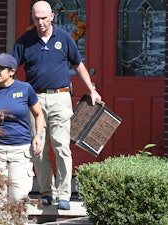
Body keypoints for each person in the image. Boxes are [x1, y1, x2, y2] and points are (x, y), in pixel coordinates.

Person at [11, 1, 102, 210]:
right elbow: (11, 67)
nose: (40, 22)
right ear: (32, 18)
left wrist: (92, 90)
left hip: (60, 99)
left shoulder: (64, 38)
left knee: (61, 146)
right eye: (36, 18)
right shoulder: (24, 41)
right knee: (39, 149)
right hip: (34, 102)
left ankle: (64, 194)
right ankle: (46, 192)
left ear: (52, 16)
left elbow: (78, 65)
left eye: (44, 18)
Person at [0, 53, 44, 223]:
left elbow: (39, 114)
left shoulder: (24, 89)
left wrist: (38, 136)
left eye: (0, 68)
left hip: (21, 151)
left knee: (18, 198)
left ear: (11, 71)